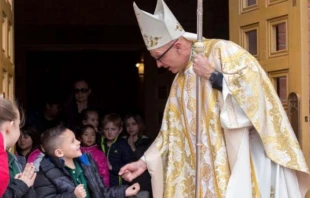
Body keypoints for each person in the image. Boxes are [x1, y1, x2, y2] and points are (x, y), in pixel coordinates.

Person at [119, 0, 310, 197]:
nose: (158, 65)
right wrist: (143, 162)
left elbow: (259, 100)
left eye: (159, 57)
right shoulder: (179, 80)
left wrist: (214, 76)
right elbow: (170, 131)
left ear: (178, 46)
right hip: (199, 171)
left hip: (235, 164)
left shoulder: (223, 52)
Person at [34, 125, 140, 198]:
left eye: (76, 138)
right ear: (59, 152)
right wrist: (73, 196)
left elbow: (101, 193)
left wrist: (124, 191)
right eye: (72, 141)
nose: (78, 142)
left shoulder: (86, 162)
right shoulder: (45, 172)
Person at [0, 98, 37, 198]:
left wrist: (26, 185)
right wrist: (20, 186)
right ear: (9, 126)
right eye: (19, 125)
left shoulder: (13, 159)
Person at [100, 113, 135, 187]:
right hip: (103, 184)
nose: (109, 132)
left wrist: (112, 167)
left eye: (113, 129)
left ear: (120, 130)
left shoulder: (123, 145)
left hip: (119, 185)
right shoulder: (100, 144)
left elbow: (130, 164)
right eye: (106, 129)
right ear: (102, 130)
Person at [124, 114, 152, 196]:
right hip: (127, 184)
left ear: (140, 125)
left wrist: (132, 146)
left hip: (142, 184)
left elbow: (143, 160)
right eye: (127, 125)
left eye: (133, 124)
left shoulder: (147, 141)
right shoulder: (122, 141)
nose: (130, 127)